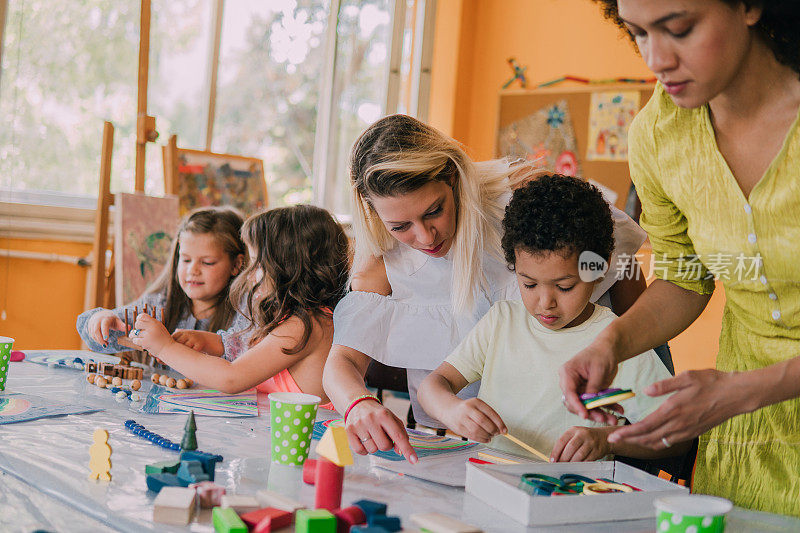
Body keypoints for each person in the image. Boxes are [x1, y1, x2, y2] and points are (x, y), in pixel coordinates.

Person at [559, 0, 800, 514]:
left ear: (751, 7)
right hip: (747, 444)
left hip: (739, 398)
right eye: (639, 33)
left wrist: (747, 390)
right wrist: (612, 342)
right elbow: (684, 276)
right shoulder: (658, 135)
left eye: (679, 29)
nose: (656, 59)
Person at [322, 114, 652, 462]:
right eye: (400, 225)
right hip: (472, 442)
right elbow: (341, 361)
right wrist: (358, 405)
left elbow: (618, 260)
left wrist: (639, 345)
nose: (424, 236)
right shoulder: (382, 257)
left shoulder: (521, 201)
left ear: (452, 177)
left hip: (573, 430)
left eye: (435, 211)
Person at [418, 175, 688, 462]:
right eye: (529, 284)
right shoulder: (502, 322)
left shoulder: (618, 342)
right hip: (491, 485)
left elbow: (677, 437)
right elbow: (432, 386)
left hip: (570, 498)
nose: (545, 303)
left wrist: (608, 440)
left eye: (564, 286)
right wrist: (452, 410)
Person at [130, 205, 349, 404]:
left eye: (256, 265)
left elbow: (232, 378)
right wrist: (216, 343)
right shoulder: (289, 318)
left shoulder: (306, 326)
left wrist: (165, 348)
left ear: (289, 268)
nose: (249, 276)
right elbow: (254, 351)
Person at [77, 207, 246, 356]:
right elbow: (97, 341)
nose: (192, 270)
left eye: (207, 262)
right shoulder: (159, 304)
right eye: (186, 260)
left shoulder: (244, 315)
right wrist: (99, 319)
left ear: (236, 264)